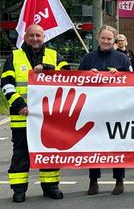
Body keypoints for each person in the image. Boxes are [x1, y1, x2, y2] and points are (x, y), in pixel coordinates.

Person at [1, 24, 70, 203]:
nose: (35, 39)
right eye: (31, 35)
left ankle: (50, 187)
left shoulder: (54, 56)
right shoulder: (14, 57)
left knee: (48, 151)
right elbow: (6, 84)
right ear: (25, 37)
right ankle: (19, 190)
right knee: (21, 154)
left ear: (44, 36)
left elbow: (68, 75)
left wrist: (47, 68)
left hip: (48, 118)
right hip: (22, 117)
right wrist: (19, 105)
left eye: (38, 35)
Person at [78, 25, 132, 196]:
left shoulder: (123, 59)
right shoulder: (88, 59)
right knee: (93, 145)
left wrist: (121, 75)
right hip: (93, 110)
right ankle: (93, 180)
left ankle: (119, 180)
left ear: (114, 40)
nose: (106, 41)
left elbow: (132, 83)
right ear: (98, 38)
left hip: (116, 109)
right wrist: (88, 74)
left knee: (117, 145)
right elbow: (76, 81)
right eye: (103, 38)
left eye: (109, 39)